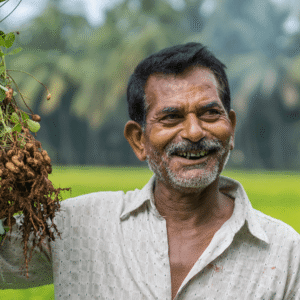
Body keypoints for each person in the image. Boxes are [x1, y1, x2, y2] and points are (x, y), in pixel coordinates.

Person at [0, 42, 299, 299]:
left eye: (210, 113)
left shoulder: (286, 252)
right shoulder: (76, 225)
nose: (194, 132)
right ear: (138, 139)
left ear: (231, 129)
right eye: (171, 117)